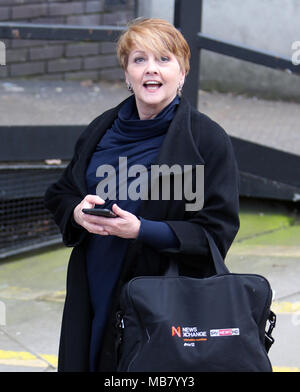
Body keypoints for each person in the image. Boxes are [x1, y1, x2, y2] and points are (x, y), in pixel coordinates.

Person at [44, 17, 240, 372]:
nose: (151, 69)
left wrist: (141, 230)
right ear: (126, 73)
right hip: (93, 286)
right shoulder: (100, 129)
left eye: (164, 59)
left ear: (182, 74)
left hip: (159, 297)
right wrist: (77, 212)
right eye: (139, 59)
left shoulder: (206, 141)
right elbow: (61, 192)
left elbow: (214, 231)